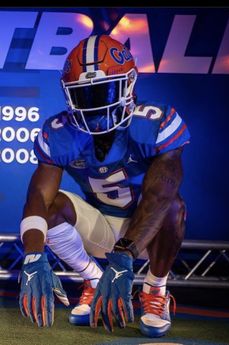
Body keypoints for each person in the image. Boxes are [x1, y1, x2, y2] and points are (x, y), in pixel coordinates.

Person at [19, 34, 190, 338]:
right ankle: (93, 279)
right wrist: (33, 255)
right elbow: (39, 196)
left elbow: (160, 196)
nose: (96, 104)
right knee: (54, 205)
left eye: (104, 91)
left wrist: (125, 255)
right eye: (86, 95)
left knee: (173, 206)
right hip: (100, 224)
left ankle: (154, 291)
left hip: (146, 232)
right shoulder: (61, 131)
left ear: (130, 83)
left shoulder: (155, 121)